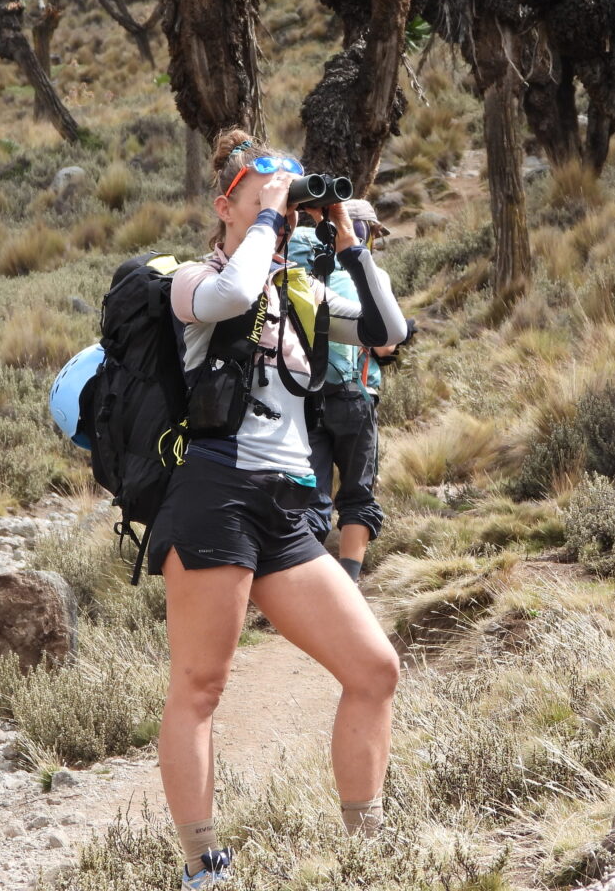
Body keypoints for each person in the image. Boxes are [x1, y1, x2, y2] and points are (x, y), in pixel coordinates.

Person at [147, 129, 409, 889]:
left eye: (288, 193)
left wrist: (349, 242)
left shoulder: (302, 288)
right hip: (215, 493)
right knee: (201, 686)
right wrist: (265, 220)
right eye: (263, 191)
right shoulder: (191, 278)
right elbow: (230, 296)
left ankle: (368, 853)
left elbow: (389, 334)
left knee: (374, 669)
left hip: (287, 505)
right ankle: (204, 865)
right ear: (225, 202)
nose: (282, 204)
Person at [287, 200, 397, 584]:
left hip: (304, 394)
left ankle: (305, 584)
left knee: (310, 495)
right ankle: (347, 583)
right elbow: (385, 347)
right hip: (355, 393)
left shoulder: (298, 271)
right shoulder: (371, 277)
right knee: (357, 494)